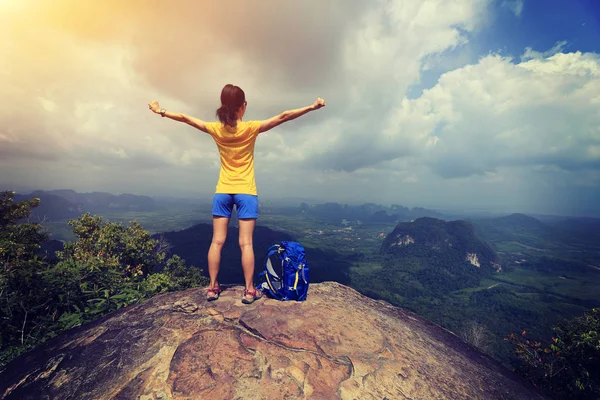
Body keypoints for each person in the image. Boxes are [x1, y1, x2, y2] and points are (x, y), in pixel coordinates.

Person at [148, 84, 326, 304]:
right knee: (246, 244)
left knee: (216, 242)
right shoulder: (250, 128)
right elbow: (284, 116)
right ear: (243, 106)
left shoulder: (215, 129)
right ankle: (249, 290)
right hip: (246, 192)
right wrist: (312, 106)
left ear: (223, 106)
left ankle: (213, 288)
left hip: (222, 190)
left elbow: (186, 118)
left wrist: (160, 111)